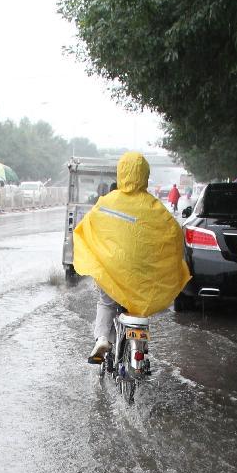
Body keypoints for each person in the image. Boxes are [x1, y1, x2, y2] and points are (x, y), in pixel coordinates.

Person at [73, 151, 190, 361]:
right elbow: (174, 234)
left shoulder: (107, 202)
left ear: (121, 173)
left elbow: (88, 227)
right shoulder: (155, 207)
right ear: (145, 175)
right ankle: (139, 348)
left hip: (112, 271)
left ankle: (102, 338)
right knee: (138, 305)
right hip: (141, 275)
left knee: (106, 302)